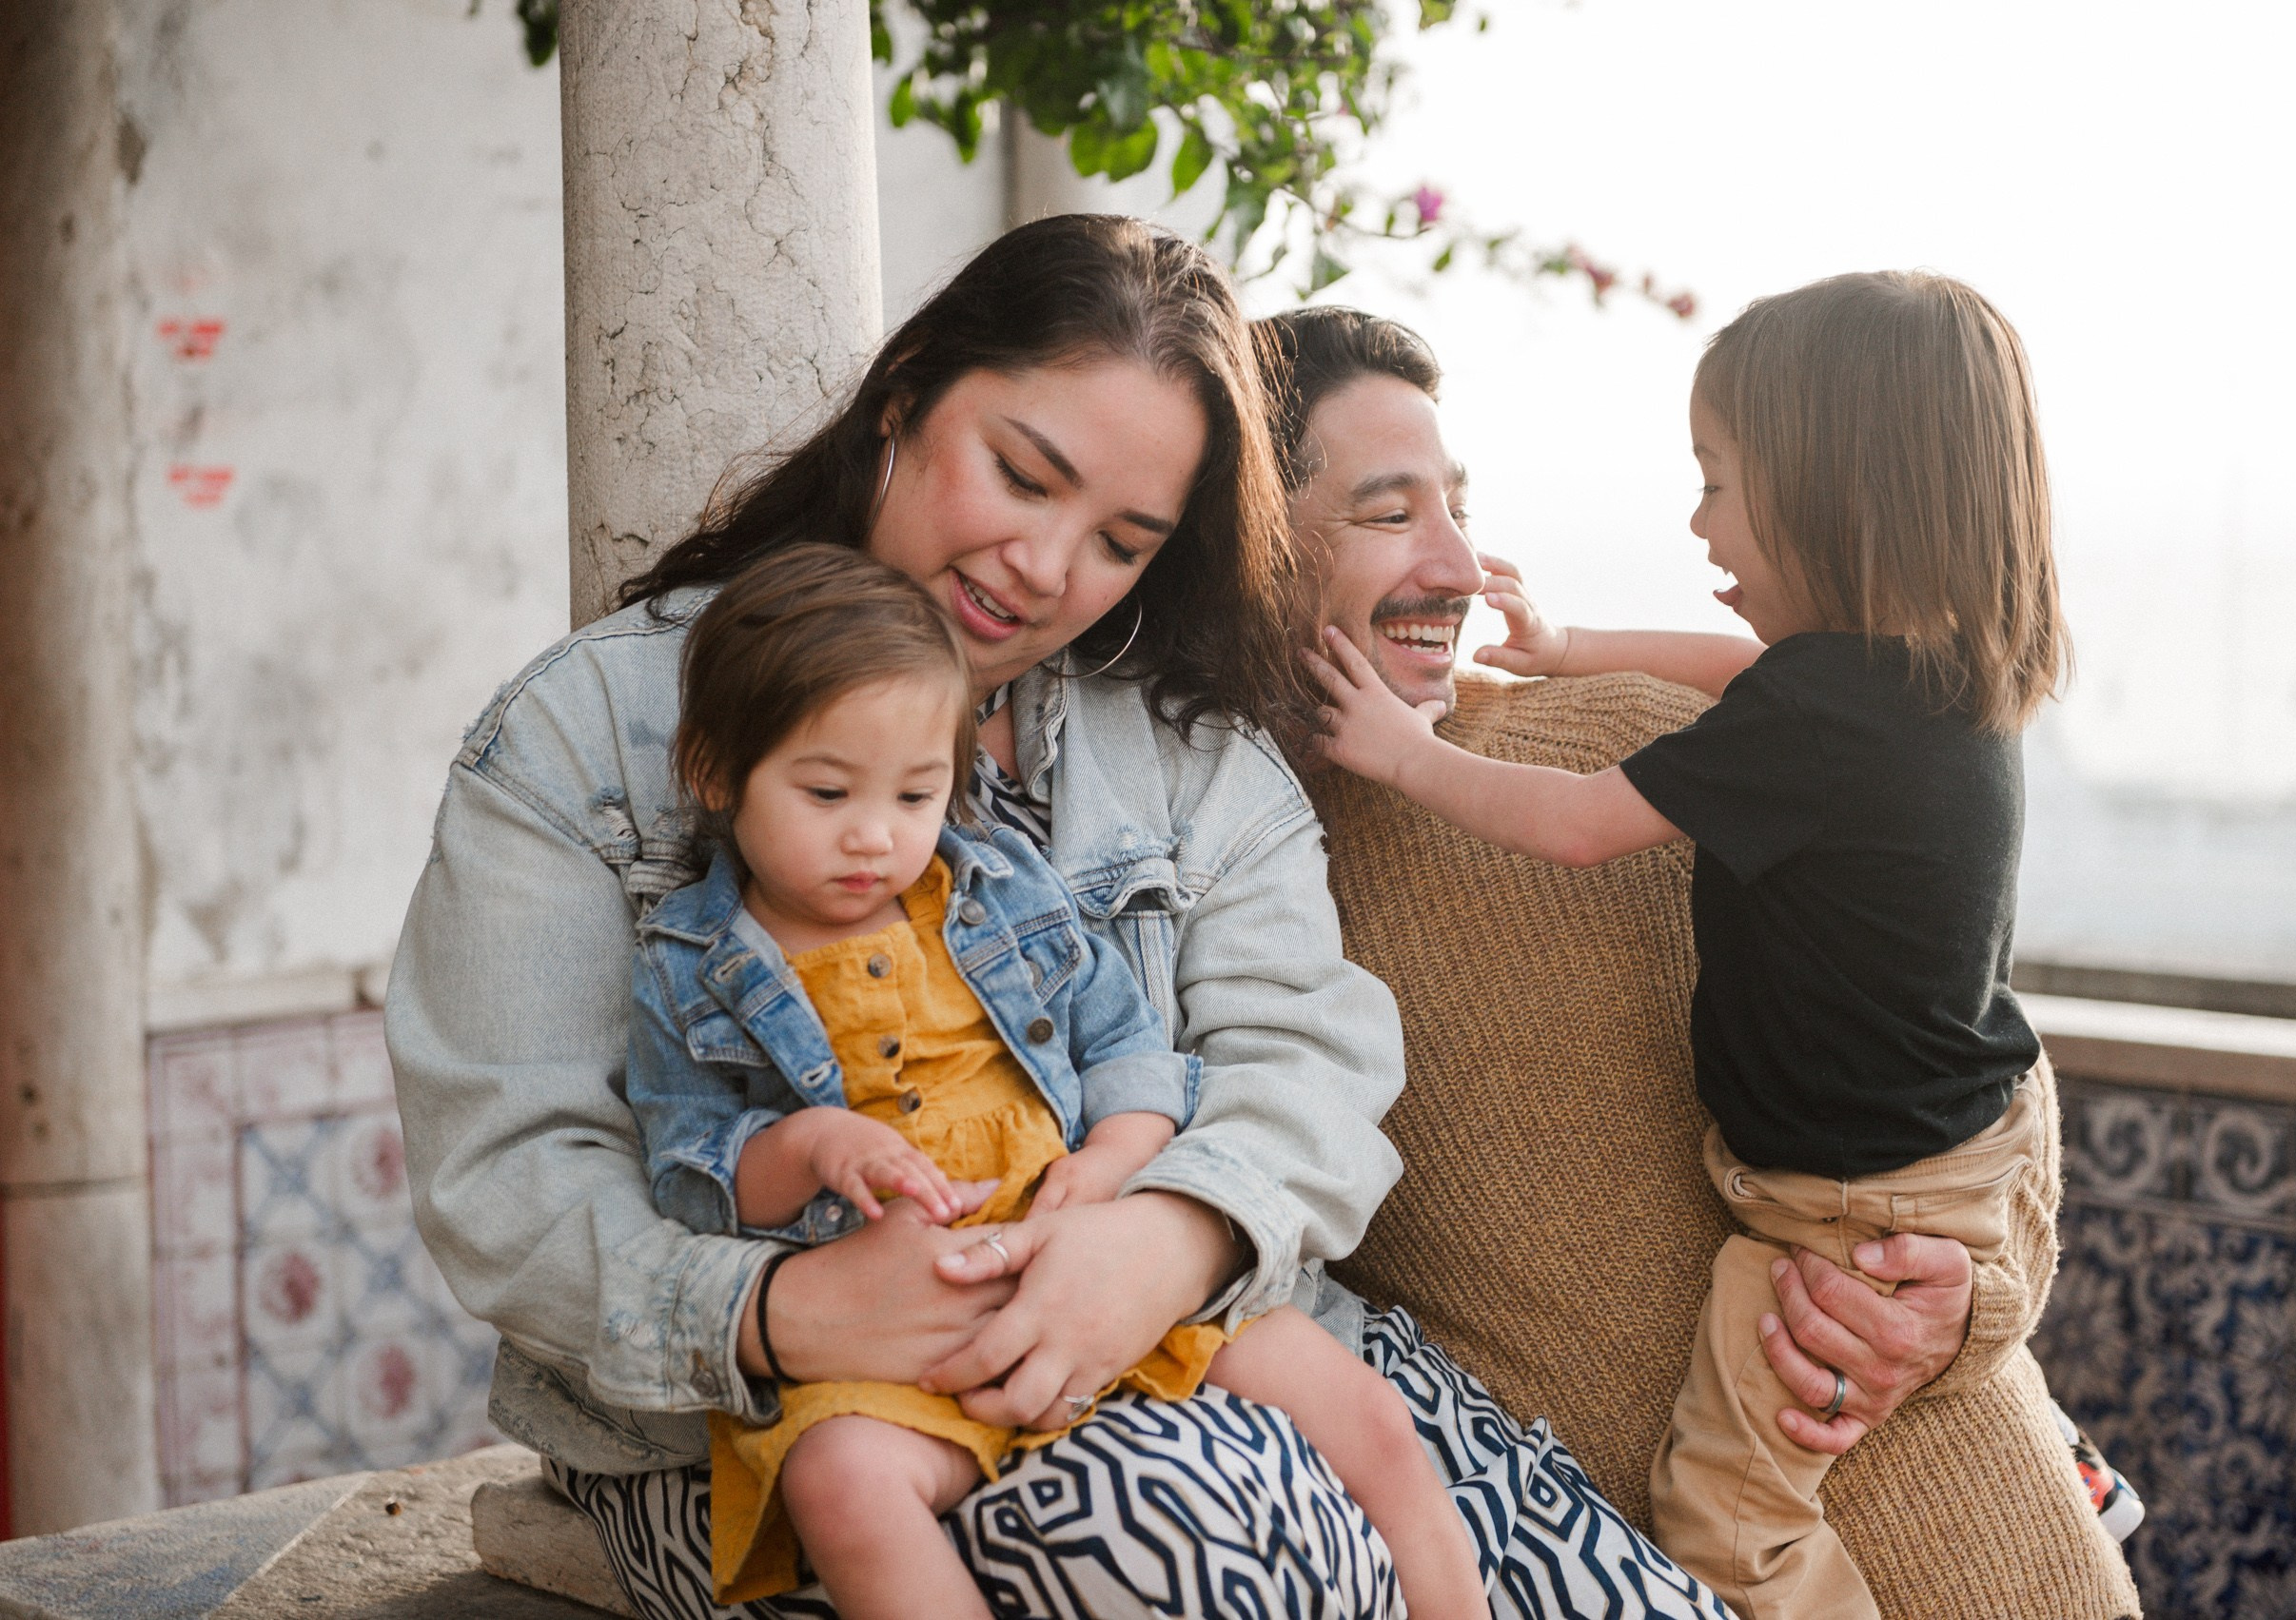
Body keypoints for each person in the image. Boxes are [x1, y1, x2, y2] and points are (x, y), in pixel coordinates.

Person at [387, 214, 1728, 1619]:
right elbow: (508, 1172)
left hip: (1198, 1317)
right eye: (1022, 475)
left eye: (1121, 541)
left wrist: (1171, 1234)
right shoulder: (589, 733)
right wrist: (784, 1308)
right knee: (1190, 1541)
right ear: (903, 401)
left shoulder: (1176, 746)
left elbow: (1313, 1061)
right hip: (777, 1418)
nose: (1042, 567)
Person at [1263, 303, 2144, 1620]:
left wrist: (1978, 1300)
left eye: (1459, 500)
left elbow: (1981, 1041)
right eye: (1393, 513)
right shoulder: (1220, 894)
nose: (1459, 560)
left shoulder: (1647, 744)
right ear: (1248, 549)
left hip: (2007, 1553)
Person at [624, 544, 1487, 1617]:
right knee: (838, 1483)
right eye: (826, 789)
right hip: (910, 1330)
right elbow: (688, 1172)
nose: (874, 834)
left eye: (914, 793)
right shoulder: (692, 963)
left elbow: (1123, 1040)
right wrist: (803, 1152)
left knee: (1365, 1411)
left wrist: (1120, 1155)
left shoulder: (992, 891)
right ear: (715, 772)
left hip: (1099, 1259)